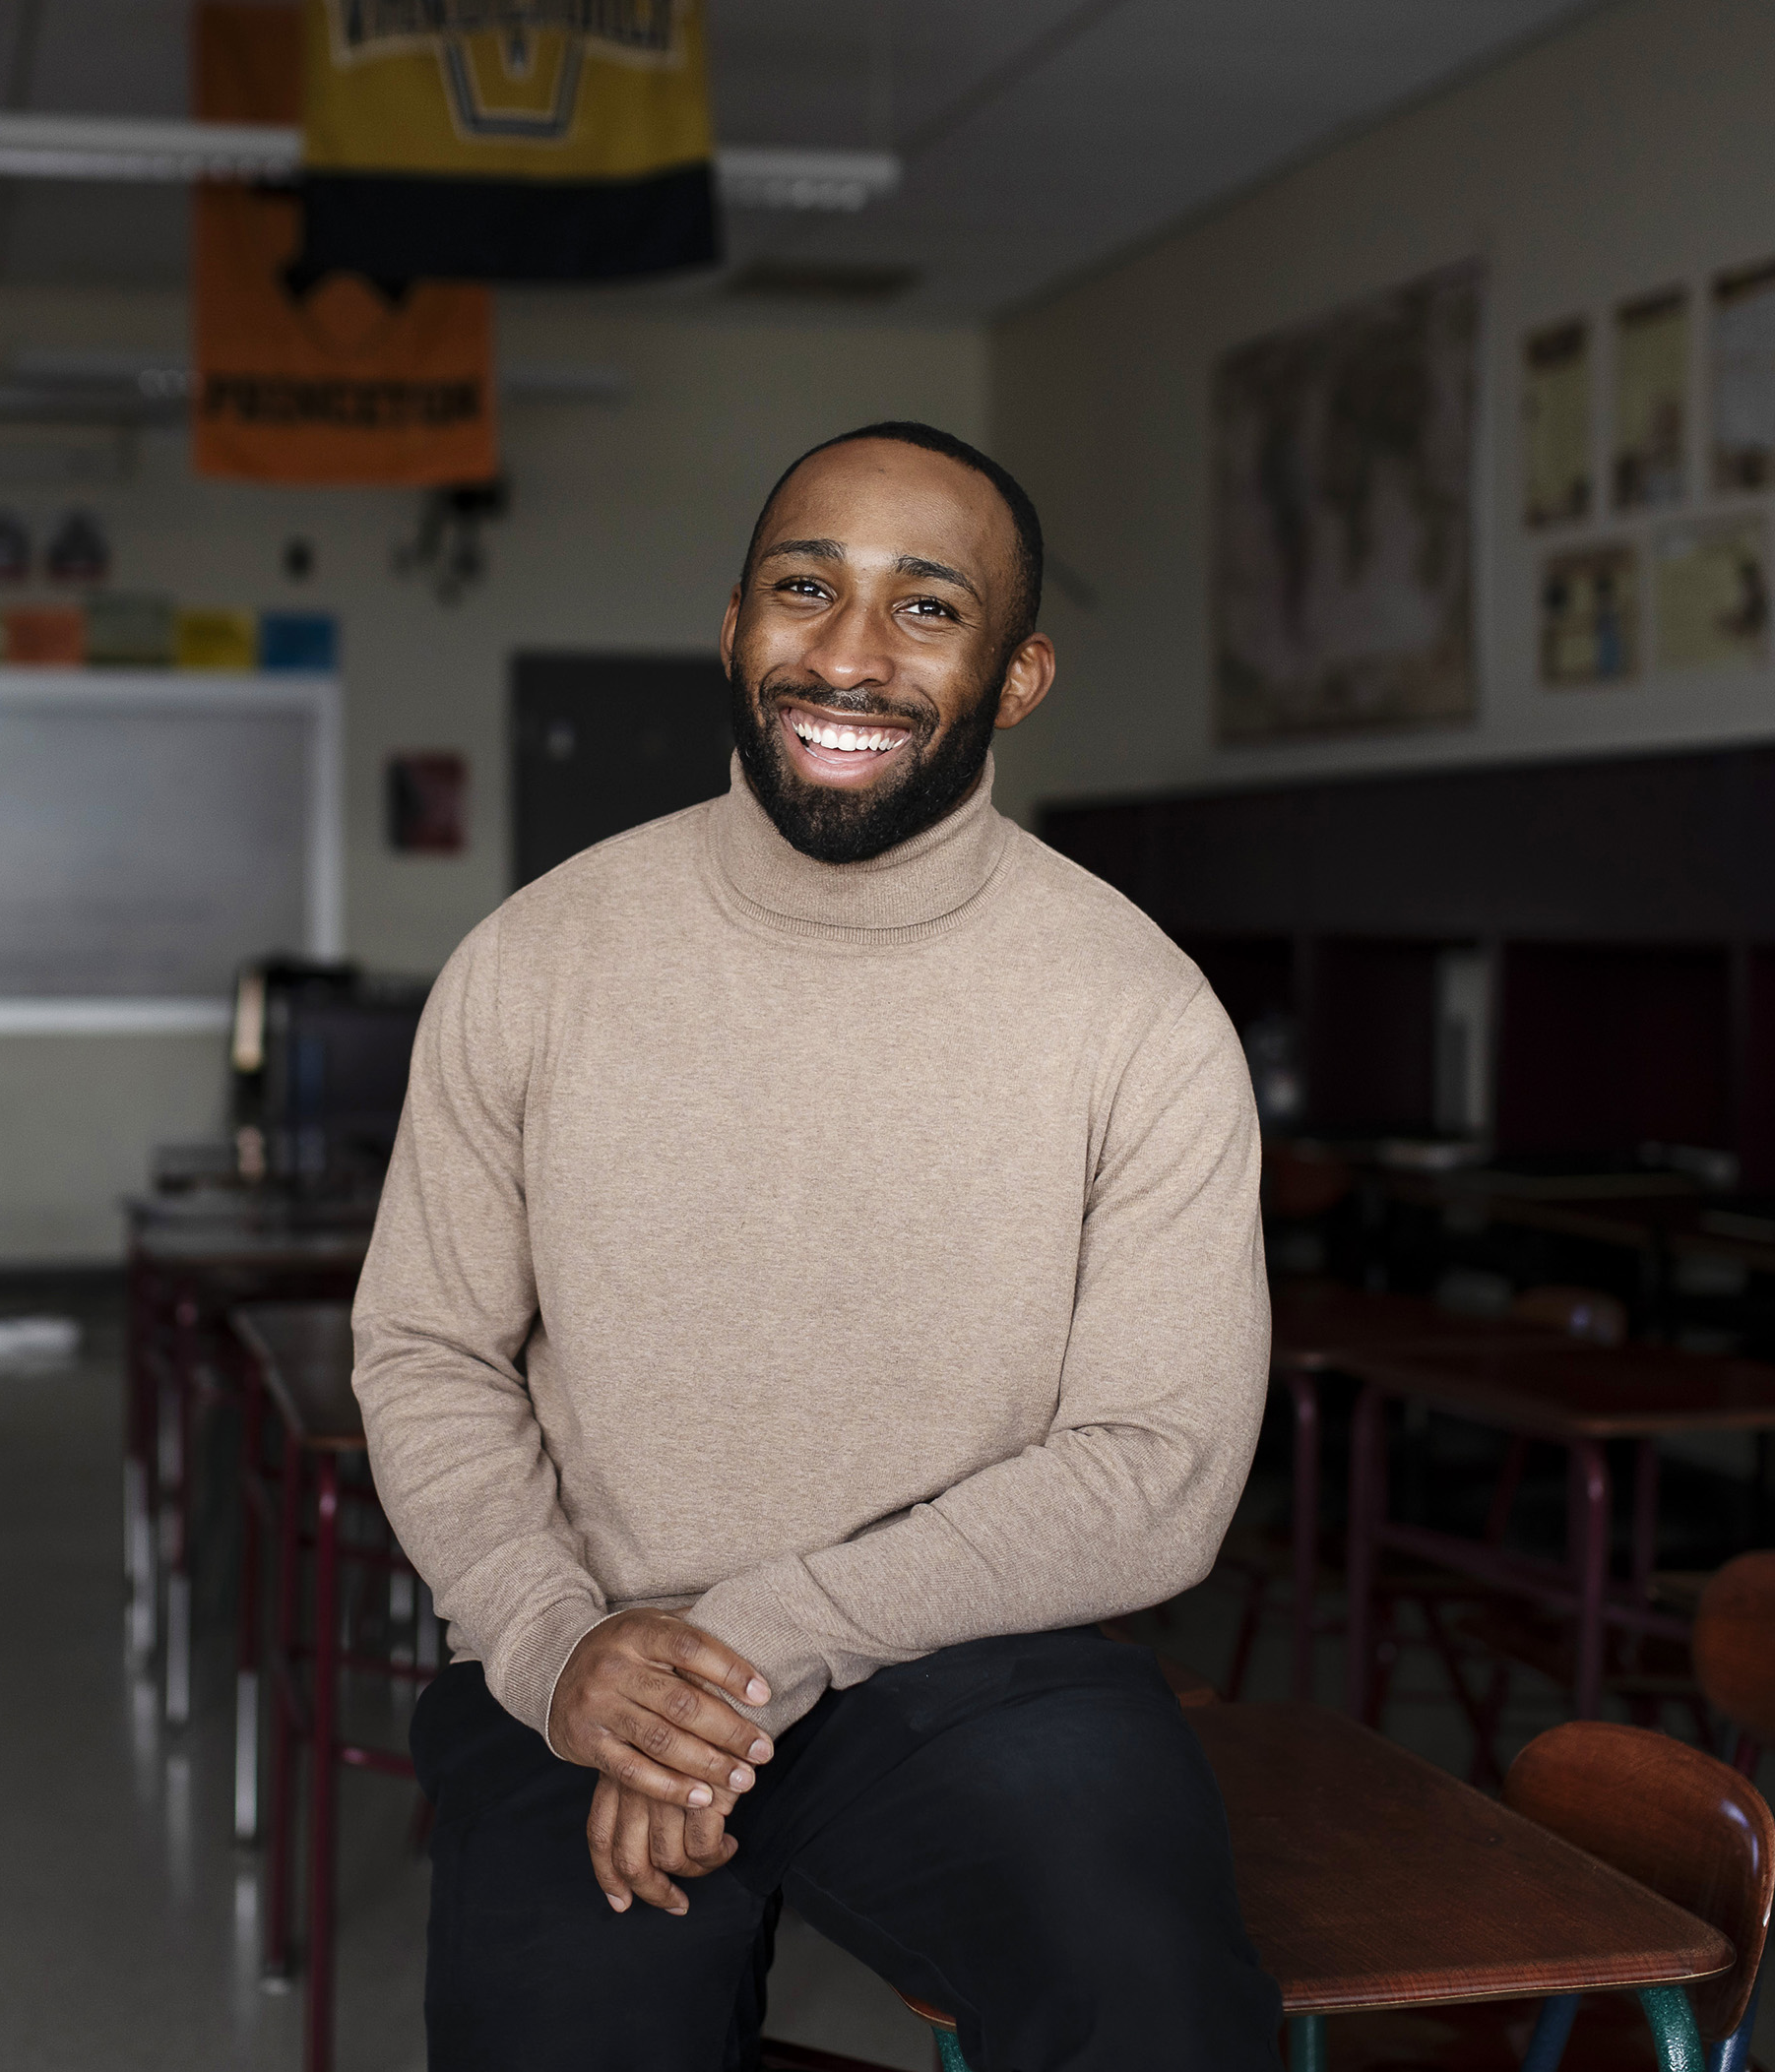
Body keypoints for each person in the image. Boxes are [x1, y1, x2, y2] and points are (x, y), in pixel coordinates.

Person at [352, 421, 1283, 2070]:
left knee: (1150, 2000)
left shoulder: (1137, 1011)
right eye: (805, 588)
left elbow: (1160, 1461)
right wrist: (561, 1644)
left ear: (1018, 675)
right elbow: (428, 1346)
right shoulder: (537, 961)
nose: (848, 655)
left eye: (927, 609)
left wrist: (767, 1635)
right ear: (734, 629)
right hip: (594, 1653)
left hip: (975, 1659)